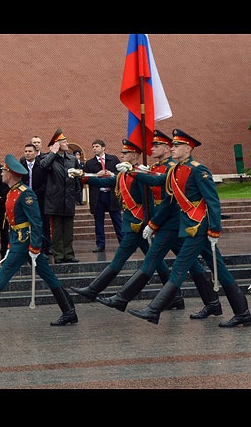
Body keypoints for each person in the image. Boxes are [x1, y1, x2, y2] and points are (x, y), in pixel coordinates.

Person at [125, 129, 251, 327]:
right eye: (172, 146)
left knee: (179, 268)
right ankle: (242, 313)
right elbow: (162, 187)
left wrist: (214, 231)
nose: (172, 149)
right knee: (222, 271)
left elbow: (213, 202)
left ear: (188, 148)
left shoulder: (198, 170)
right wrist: (133, 171)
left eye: (176, 146)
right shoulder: (175, 171)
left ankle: (153, 309)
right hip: (189, 227)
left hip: (199, 229)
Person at [96, 130, 216, 315]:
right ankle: (209, 303)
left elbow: (173, 197)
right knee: (186, 263)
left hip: (178, 219)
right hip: (167, 219)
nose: (151, 148)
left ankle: (129, 300)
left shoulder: (175, 168)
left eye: (156, 145)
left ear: (168, 149)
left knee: (191, 263)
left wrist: (153, 223)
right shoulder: (160, 166)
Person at [0, 154, 78, 326]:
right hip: (19, 241)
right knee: (49, 277)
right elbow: (13, 223)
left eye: (4, 171)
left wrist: (35, 247)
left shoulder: (26, 194)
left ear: (10, 174)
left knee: (3, 276)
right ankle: (69, 311)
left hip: (25, 244)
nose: (2, 173)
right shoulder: (13, 192)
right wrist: (12, 243)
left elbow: (35, 222)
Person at [68, 138, 170, 301]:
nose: (122, 155)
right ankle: (175, 296)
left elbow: (148, 202)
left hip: (138, 224)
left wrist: (150, 224)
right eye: (122, 152)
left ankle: (93, 290)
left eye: (126, 153)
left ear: (135, 155)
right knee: (156, 260)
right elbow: (106, 180)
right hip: (133, 223)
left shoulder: (140, 174)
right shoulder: (123, 174)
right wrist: (82, 176)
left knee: (119, 258)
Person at [39, 129, 80, 263]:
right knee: (56, 230)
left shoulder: (72, 159)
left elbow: (76, 178)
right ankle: (58, 255)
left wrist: (77, 195)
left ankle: (69, 254)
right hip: (55, 199)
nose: (67, 143)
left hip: (68, 198)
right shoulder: (48, 158)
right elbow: (43, 166)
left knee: (68, 229)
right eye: (63, 141)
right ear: (56, 144)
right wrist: (53, 153)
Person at [82, 139, 123, 252]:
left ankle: (123, 243)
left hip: (112, 195)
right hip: (98, 195)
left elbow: (122, 173)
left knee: (117, 220)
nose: (94, 148)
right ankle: (100, 244)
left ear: (103, 148)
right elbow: (83, 177)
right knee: (98, 221)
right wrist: (96, 175)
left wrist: (112, 174)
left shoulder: (113, 159)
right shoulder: (90, 163)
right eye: (93, 146)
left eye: (97, 146)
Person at [20, 142, 51, 255]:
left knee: (42, 223)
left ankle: (44, 248)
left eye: (30, 151)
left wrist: (35, 194)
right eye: (26, 151)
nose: (27, 154)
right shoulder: (21, 163)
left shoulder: (41, 164)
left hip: (40, 198)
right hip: (25, 199)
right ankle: (27, 247)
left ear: (35, 153)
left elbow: (45, 182)